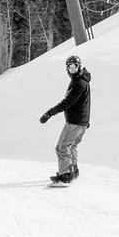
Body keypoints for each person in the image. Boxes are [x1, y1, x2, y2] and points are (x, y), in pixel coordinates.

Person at [38, 55, 93, 184]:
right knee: (71, 146)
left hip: (74, 123)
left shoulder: (79, 83)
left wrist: (50, 113)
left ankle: (65, 175)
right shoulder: (82, 80)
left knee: (62, 147)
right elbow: (85, 102)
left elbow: (68, 102)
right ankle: (73, 171)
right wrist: (85, 120)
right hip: (81, 122)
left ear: (79, 67)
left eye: (74, 66)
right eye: (70, 67)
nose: (72, 69)